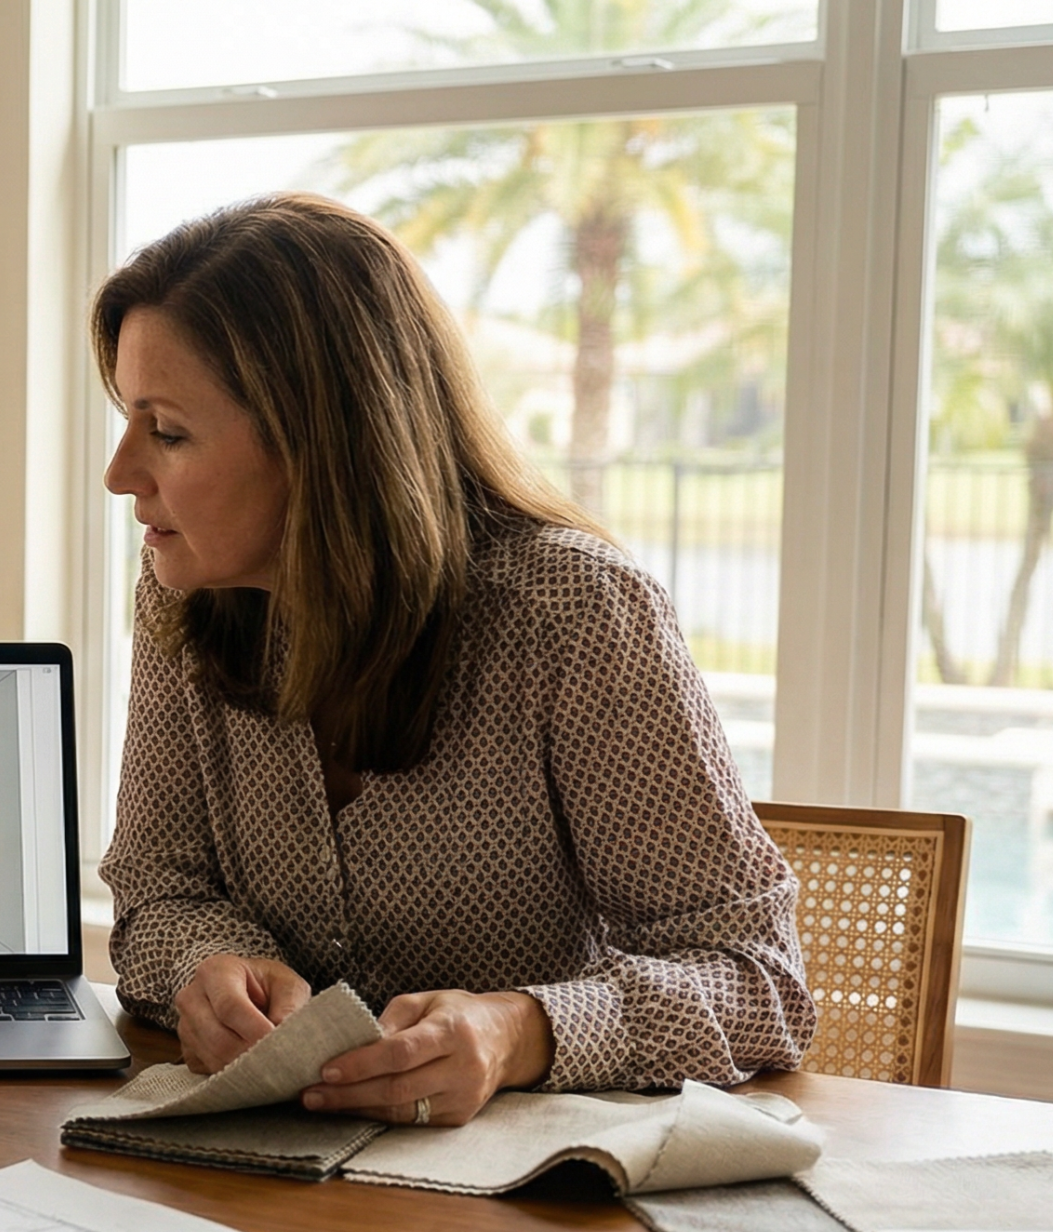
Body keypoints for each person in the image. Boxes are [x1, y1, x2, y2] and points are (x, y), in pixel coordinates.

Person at [94, 193, 813, 1128]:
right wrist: (207, 966)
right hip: (271, 1182)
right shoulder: (181, 596)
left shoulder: (574, 613)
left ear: (325, 440)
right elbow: (156, 894)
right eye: (127, 419)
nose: (120, 472)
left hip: (533, 1227)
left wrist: (522, 1032)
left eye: (169, 431)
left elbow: (759, 979)